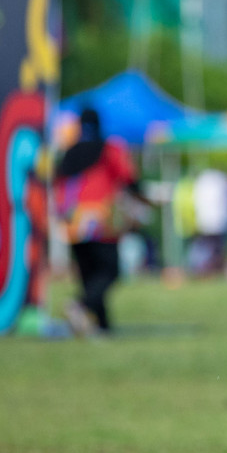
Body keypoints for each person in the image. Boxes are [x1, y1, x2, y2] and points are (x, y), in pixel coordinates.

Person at [55, 107, 150, 334]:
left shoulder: (69, 153)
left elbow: (57, 185)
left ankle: (103, 327)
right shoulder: (109, 149)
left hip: (72, 221)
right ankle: (81, 305)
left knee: (89, 274)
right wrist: (144, 199)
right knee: (110, 271)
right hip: (99, 220)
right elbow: (129, 178)